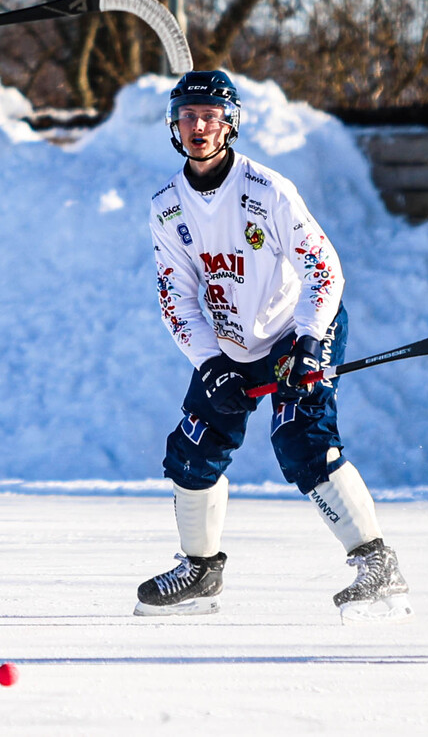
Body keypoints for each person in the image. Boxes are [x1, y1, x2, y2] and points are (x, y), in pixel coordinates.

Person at [137, 70, 412, 624]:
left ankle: (378, 564)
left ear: (230, 124)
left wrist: (309, 341)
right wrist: (210, 365)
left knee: (300, 439)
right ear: (173, 124)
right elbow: (175, 296)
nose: (198, 127)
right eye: (188, 116)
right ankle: (201, 572)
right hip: (230, 344)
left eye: (210, 117)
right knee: (192, 451)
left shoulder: (267, 190)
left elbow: (323, 269)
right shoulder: (167, 206)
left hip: (297, 330)